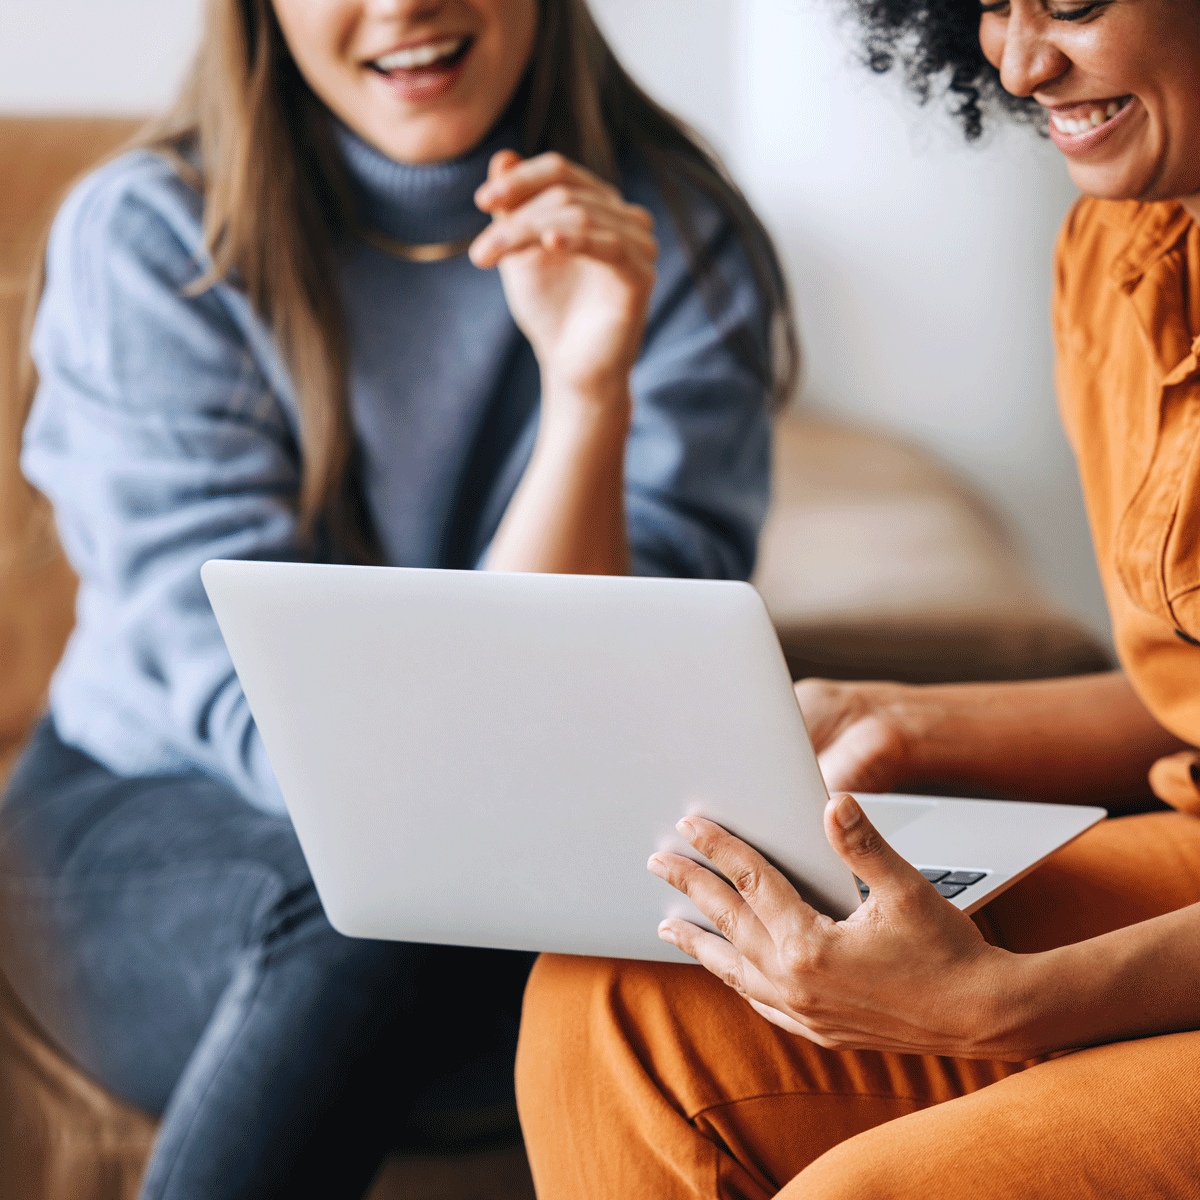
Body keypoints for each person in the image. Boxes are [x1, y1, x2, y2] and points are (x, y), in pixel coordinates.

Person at [0, 1, 795, 1197]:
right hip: (148, 816)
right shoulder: (155, 234)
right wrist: (486, 816)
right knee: (362, 916)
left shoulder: (676, 237)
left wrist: (586, 396)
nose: (407, 4)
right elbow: (251, 701)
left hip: (521, 871)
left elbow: (602, 701)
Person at [514, 0, 1200, 1196]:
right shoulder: (1119, 246)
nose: (1023, 62)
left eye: (1075, 2)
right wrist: (908, 720)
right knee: (624, 1000)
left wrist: (1009, 1004)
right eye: (992, 5)